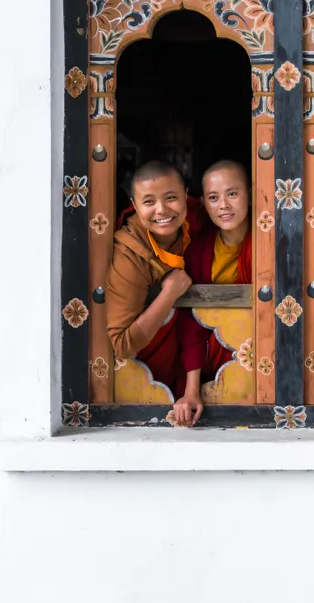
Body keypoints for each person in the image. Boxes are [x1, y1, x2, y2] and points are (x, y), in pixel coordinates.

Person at [105, 160, 223, 429]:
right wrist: (169, 294)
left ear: (186, 197)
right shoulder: (129, 255)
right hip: (149, 375)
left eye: (171, 198)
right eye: (149, 202)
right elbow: (122, 344)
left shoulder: (198, 216)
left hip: (196, 352)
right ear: (134, 206)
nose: (162, 211)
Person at [178, 160, 252, 426]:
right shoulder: (198, 253)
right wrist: (191, 390)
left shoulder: (268, 244)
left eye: (232, 194)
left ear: (251, 193)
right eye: (213, 197)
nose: (223, 205)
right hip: (216, 360)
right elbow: (192, 323)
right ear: (204, 203)